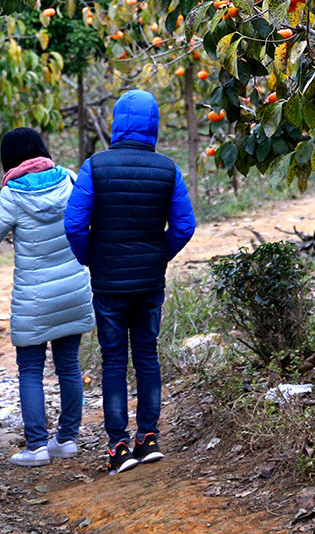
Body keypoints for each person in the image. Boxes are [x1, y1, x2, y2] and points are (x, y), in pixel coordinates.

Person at [64, 90, 196, 475]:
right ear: (154, 124)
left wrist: (91, 257)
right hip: (149, 282)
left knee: (114, 360)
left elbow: (74, 224)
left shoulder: (95, 166)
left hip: (108, 284)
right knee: (147, 355)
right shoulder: (167, 169)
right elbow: (184, 226)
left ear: (116, 122)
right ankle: (149, 438)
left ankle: (118, 446)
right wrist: (158, 255)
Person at [0, 128, 94, 467]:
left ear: (8, 160)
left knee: (30, 370)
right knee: (69, 366)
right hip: (72, 289)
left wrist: (12, 232)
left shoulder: (12, 194)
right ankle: (67, 439)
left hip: (34, 297)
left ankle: (37, 446)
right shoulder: (69, 179)